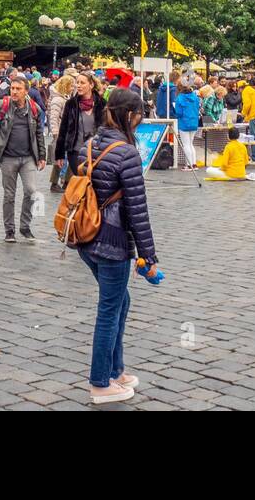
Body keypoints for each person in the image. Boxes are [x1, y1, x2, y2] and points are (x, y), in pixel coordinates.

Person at [65, 87, 159, 405]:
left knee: (121, 302)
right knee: (109, 311)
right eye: (138, 116)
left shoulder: (90, 144)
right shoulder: (128, 153)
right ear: (130, 115)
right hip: (113, 242)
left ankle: (115, 371)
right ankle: (100, 382)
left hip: (86, 238)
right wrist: (149, 257)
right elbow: (137, 210)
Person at [0, 74, 46, 243]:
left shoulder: (34, 109)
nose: (14, 92)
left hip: (28, 158)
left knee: (31, 191)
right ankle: (9, 230)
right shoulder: (2, 105)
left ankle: (25, 226)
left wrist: (42, 155)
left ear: (26, 91)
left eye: (18, 89)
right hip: (8, 158)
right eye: (13, 88)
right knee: (9, 195)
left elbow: (39, 133)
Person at [56, 72, 106, 188]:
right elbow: (63, 129)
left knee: (94, 184)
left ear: (91, 85)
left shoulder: (102, 104)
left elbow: (108, 128)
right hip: (76, 152)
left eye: (82, 83)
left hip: (96, 152)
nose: (78, 86)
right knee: (82, 183)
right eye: (77, 83)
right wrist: (59, 154)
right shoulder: (71, 104)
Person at [46, 74, 73, 192]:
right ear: (65, 86)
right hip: (62, 133)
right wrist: (56, 133)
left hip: (67, 132)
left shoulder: (64, 97)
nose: (73, 87)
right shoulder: (58, 99)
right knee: (61, 158)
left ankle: (65, 182)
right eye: (71, 85)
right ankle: (57, 183)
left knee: (68, 157)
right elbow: (53, 118)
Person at [173, 81, 200, 170]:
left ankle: (188, 165)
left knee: (186, 144)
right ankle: (194, 164)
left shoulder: (180, 98)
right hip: (194, 122)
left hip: (184, 123)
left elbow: (179, 113)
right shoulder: (195, 97)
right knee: (190, 144)